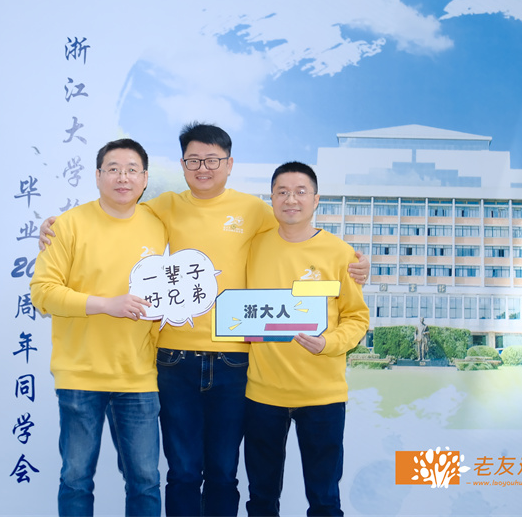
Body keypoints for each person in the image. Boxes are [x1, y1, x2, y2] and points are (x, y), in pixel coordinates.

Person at [41, 124, 370, 516]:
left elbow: (299, 234)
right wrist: (55, 226)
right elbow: (115, 213)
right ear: (182, 164)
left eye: (212, 160)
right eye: (194, 160)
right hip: (173, 358)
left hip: (234, 360)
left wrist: (356, 263)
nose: (203, 168)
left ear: (229, 164)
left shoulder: (255, 211)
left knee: (223, 473)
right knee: (181, 473)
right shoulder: (161, 207)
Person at [30, 138, 167, 517]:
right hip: (80, 374)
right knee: (76, 478)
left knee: (145, 481)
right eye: (113, 169)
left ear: (144, 179)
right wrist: (107, 305)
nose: (123, 178)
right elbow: (43, 293)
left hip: (139, 377)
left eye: (132, 170)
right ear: (97, 175)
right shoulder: (68, 225)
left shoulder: (161, 226)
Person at [243, 161, 369, 517]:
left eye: (301, 192)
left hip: (322, 396)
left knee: (324, 499)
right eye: (282, 192)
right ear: (271, 199)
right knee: (261, 499)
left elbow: (357, 317)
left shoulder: (341, 253)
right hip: (262, 394)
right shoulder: (252, 247)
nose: (291, 200)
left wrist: (328, 343)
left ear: (316, 200)